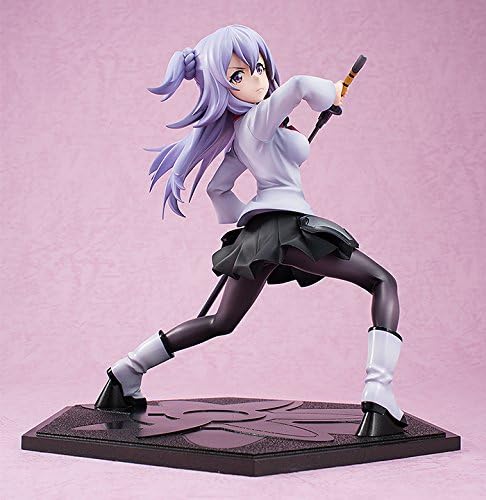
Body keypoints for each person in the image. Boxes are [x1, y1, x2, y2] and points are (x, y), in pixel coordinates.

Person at [95, 25, 407, 437]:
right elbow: (299, 85)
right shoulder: (258, 119)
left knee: (220, 322)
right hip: (287, 229)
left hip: (263, 234)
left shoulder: (244, 135)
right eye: (237, 76)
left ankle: (126, 371)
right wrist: (330, 93)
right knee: (383, 282)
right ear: (220, 88)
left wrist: (254, 218)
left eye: (258, 67)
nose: (256, 80)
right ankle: (379, 392)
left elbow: (218, 189)